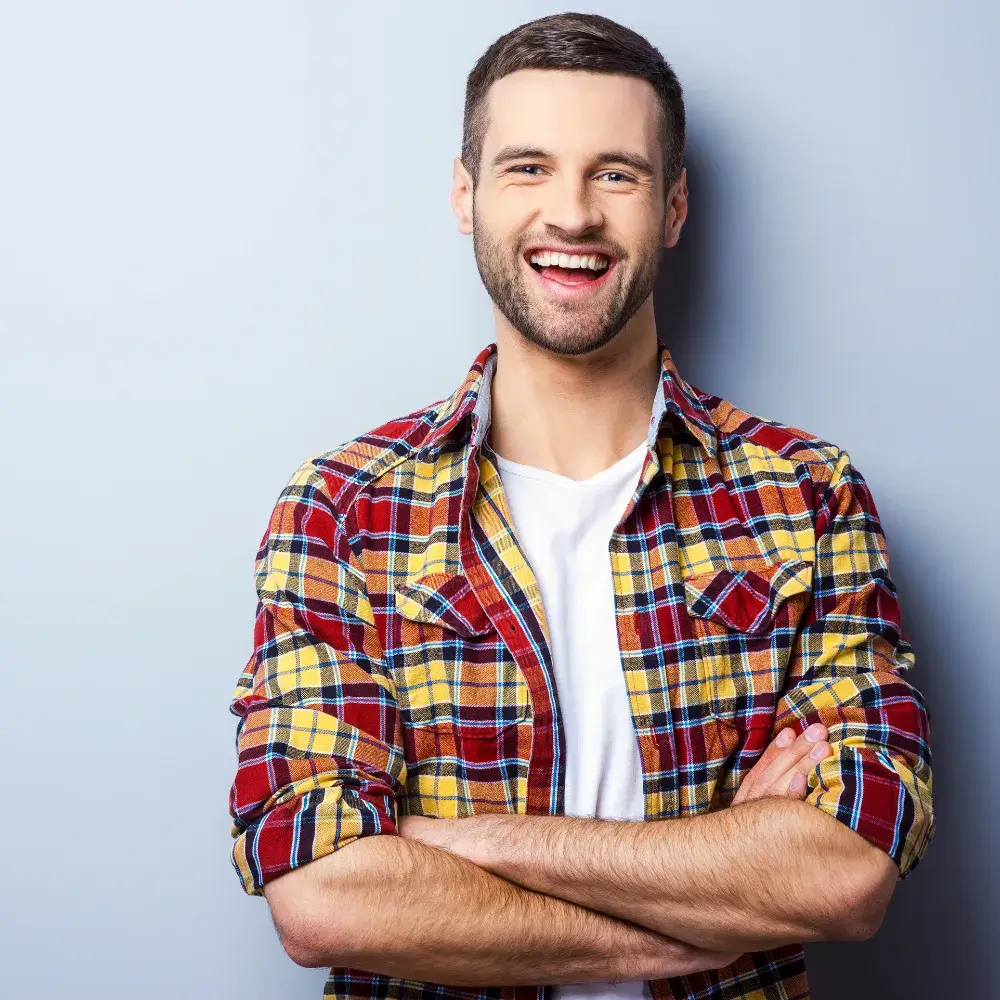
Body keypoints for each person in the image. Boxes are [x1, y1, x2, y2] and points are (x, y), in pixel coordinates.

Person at [227, 12, 935, 1000]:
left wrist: (452, 844)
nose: (572, 213)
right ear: (465, 197)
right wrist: (704, 905)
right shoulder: (343, 509)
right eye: (526, 169)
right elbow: (321, 895)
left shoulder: (805, 494)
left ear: (674, 207)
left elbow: (847, 872)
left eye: (616, 173)